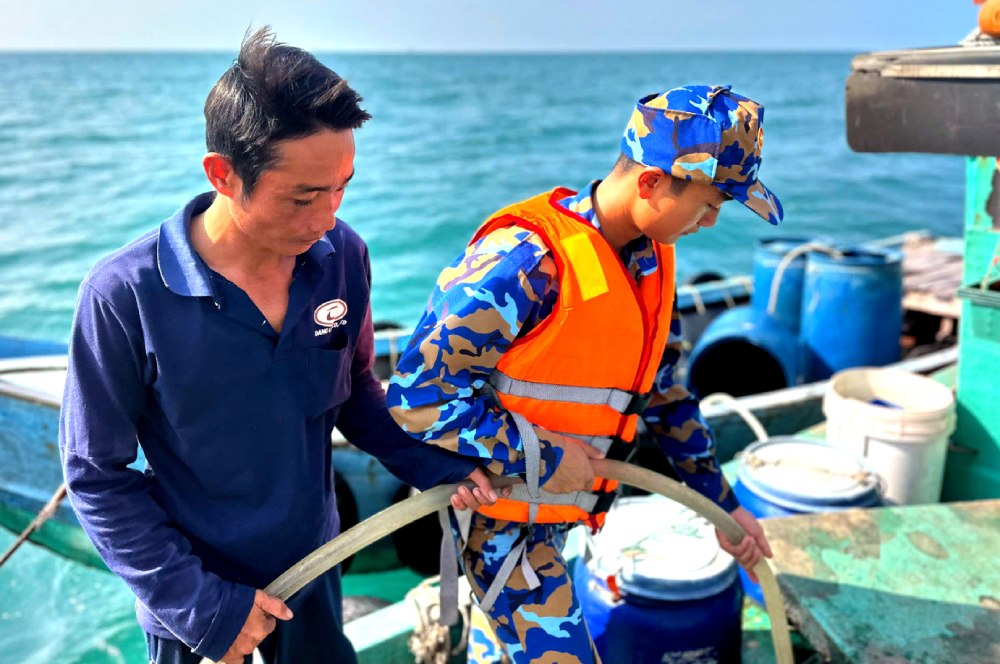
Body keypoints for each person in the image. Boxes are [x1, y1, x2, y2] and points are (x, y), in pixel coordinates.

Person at [58, 28, 499, 664]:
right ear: (223, 174)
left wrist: (430, 464)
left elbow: (353, 396)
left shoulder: (344, 257)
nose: (327, 217)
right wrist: (201, 606)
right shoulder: (122, 295)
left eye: (342, 186)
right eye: (303, 196)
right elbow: (95, 478)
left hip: (318, 567)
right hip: (195, 603)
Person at [387, 84, 779, 662]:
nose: (712, 222)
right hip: (501, 522)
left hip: (557, 515)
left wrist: (722, 503)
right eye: (709, 203)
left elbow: (664, 395)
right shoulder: (524, 261)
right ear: (650, 183)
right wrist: (543, 458)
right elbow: (417, 397)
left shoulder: (651, 259)